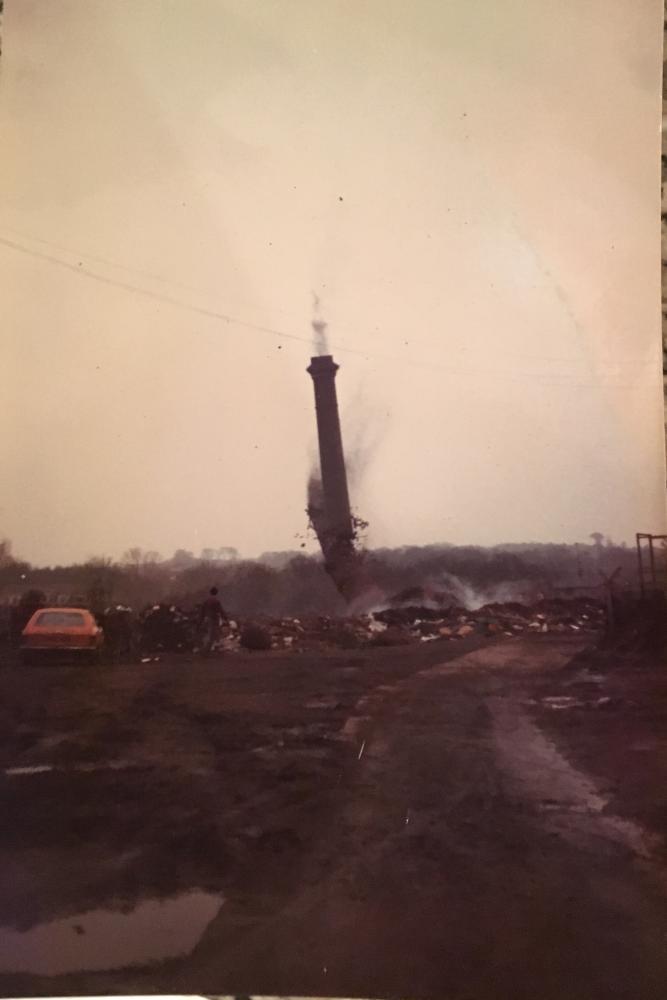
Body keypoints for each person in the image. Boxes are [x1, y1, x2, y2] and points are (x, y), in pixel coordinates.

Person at [199, 587, 228, 653]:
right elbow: (221, 611)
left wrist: (200, 620)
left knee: (209, 634)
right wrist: (225, 618)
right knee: (213, 634)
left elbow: (202, 612)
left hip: (207, 619)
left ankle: (209, 649)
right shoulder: (216, 601)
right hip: (214, 619)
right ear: (216, 593)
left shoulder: (206, 601)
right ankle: (206, 650)